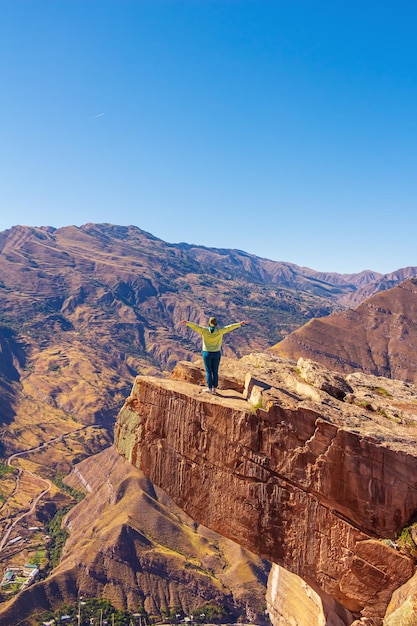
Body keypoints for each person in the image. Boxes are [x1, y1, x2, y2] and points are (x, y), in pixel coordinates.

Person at [179, 316, 250, 394]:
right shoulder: (220, 331)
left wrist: (187, 323)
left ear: (209, 324)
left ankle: (209, 388)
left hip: (207, 353)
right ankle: (214, 390)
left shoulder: (204, 331)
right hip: (216, 353)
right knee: (215, 371)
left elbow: (196, 327)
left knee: (209, 372)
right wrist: (239, 324)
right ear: (216, 324)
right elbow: (229, 327)